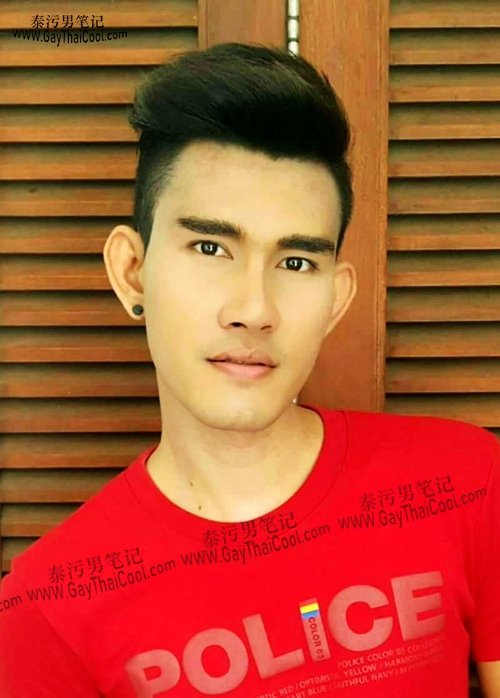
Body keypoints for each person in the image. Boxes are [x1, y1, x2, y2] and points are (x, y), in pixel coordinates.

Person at [0, 42, 499, 698]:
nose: (254, 310)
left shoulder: (468, 483)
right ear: (132, 272)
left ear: (335, 300)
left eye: (296, 262)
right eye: (210, 247)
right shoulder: (43, 608)